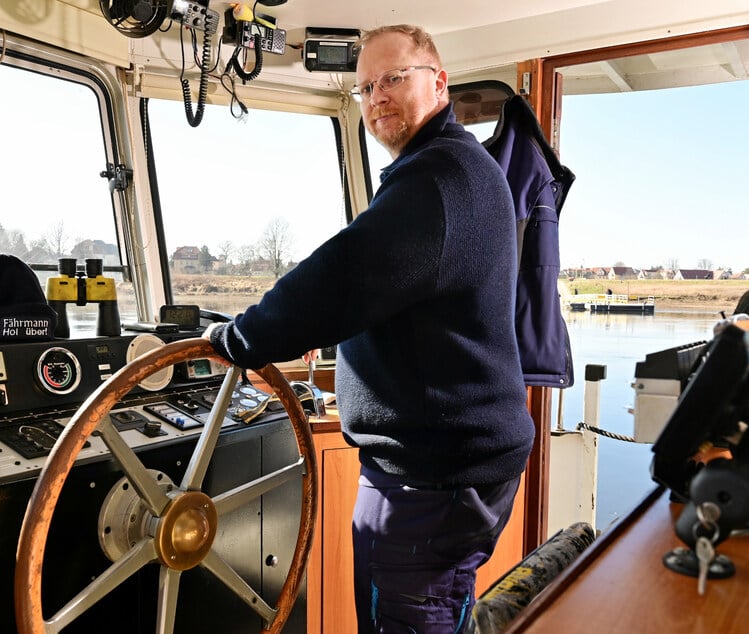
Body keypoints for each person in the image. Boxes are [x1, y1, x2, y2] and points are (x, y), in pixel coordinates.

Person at [204, 23, 534, 634]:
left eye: (392, 78)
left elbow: (344, 277)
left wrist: (238, 340)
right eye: (364, 88)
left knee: (410, 621)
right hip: (449, 466)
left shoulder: (437, 179)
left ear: (438, 83)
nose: (376, 96)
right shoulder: (458, 169)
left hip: (432, 480)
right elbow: (385, 294)